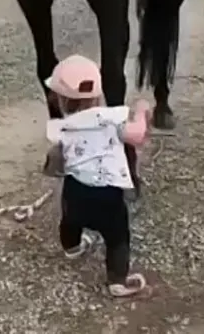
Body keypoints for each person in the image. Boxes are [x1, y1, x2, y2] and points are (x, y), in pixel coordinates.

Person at [43, 54, 152, 298]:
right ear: (98, 93)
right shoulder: (112, 120)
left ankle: (71, 247)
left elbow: (55, 161)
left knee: (69, 219)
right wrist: (142, 114)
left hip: (76, 191)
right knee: (117, 236)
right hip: (108, 195)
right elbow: (136, 136)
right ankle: (117, 280)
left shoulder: (62, 127)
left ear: (59, 98)